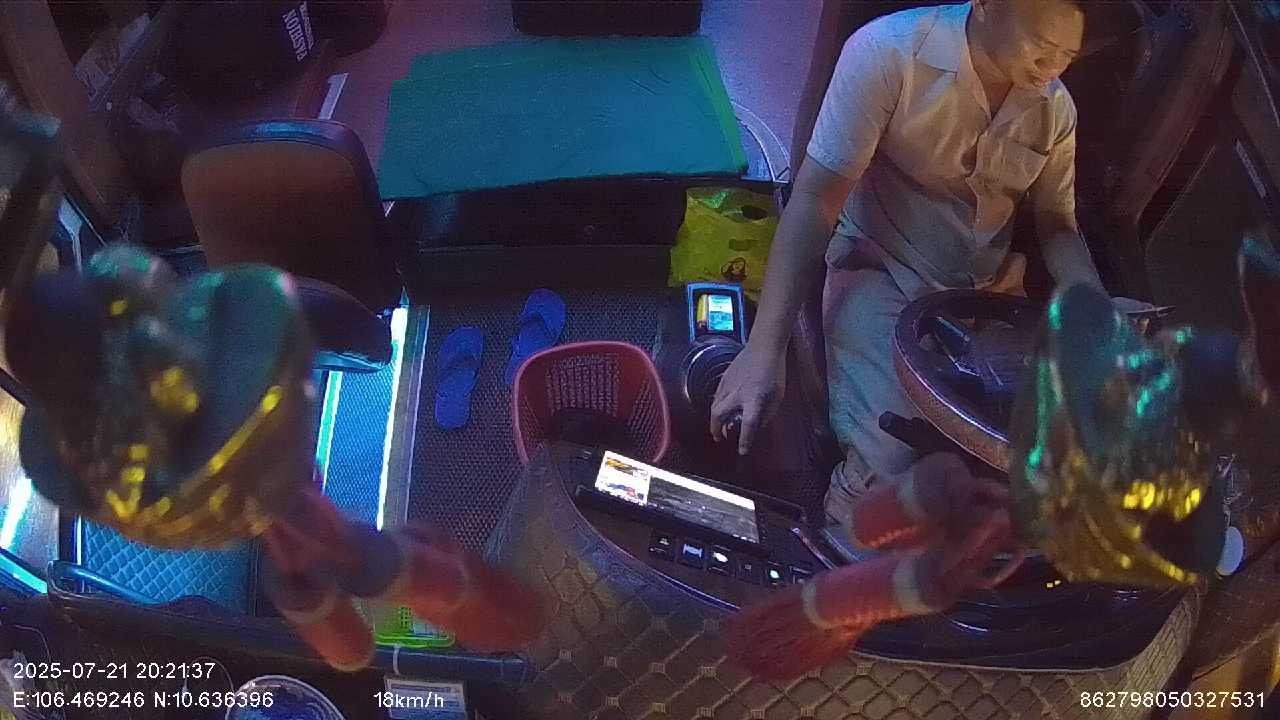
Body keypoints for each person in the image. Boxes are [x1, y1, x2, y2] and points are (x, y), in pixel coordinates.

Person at [710, 0, 1128, 559]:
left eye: (1066, 55)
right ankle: (832, 551)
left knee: (1058, 457)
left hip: (987, 297)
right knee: (893, 457)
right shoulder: (888, 55)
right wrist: (765, 348)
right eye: (1040, 46)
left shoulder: (1054, 109)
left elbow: (1057, 224)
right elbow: (814, 201)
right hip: (883, 269)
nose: (1051, 67)